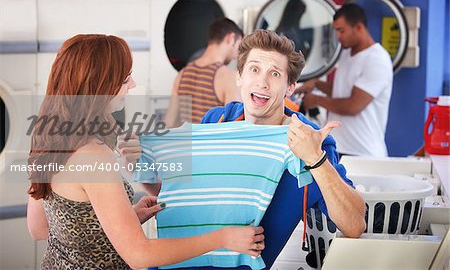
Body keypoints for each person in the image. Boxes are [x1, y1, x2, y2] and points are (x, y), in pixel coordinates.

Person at [121, 30, 365, 269]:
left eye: (275, 74)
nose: (262, 82)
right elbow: (183, 197)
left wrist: (316, 159)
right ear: (239, 77)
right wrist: (140, 167)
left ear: (290, 87)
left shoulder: (309, 140)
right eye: (255, 69)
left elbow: (355, 224)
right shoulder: (217, 121)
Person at [26, 34, 264, 270]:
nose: (132, 85)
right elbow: (140, 255)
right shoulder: (94, 155)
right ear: (101, 84)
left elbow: (40, 228)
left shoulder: (48, 133)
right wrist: (223, 238)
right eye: (125, 78)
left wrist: (128, 218)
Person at [298, 3, 393, 158]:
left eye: (341, 31)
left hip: (362, 153)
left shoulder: (377, 59)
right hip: (338, 147)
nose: (338, 36)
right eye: (336, 31)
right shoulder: (346, 54)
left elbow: (353, 105)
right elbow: (341, 91)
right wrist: (316, 84)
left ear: (359, 28)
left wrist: (316, 100)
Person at [164, 18, 243, 127]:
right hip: (211, 143)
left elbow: (170, 123)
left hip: (185, 143)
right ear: (231, 38)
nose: (236, 56)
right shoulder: (228, 77)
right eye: (239, 46)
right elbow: (234, 127)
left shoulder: (182, 74)